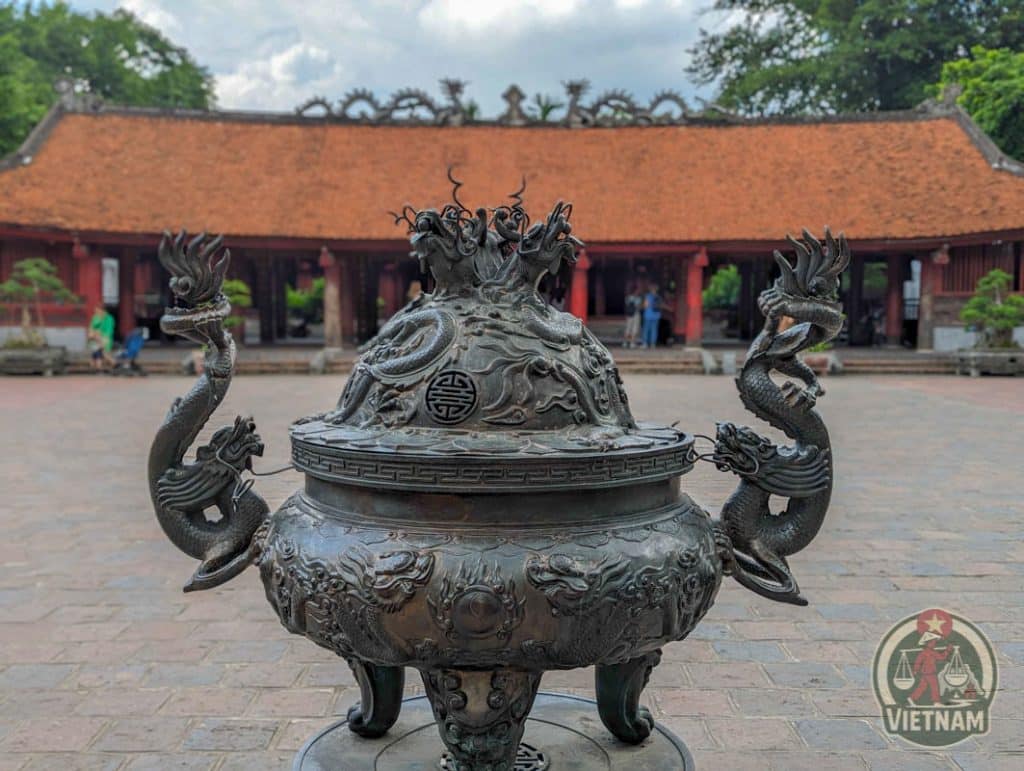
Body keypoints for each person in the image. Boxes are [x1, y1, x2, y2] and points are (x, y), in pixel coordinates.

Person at [88, 304, 114, 371]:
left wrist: (98, 335)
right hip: (94, 340)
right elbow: (91, 328)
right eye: (95, 310)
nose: (95, 311)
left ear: (103, 311)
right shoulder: (95, 317)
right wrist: (93, 334)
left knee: (104, 354)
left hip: (105, 339)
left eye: (97, 310)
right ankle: (96, 368)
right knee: (95, 354)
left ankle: (114, 364)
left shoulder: (109, 318)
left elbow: (108, 332)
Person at [641, 283, 662, 348]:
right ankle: (653, 344)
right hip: (656, 315)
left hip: (648, 315)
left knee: (646, 330)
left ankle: (645, 343)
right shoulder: (658, 297)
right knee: (654, 330)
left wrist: (642, 306)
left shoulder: (648, 296)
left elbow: (645, 305)